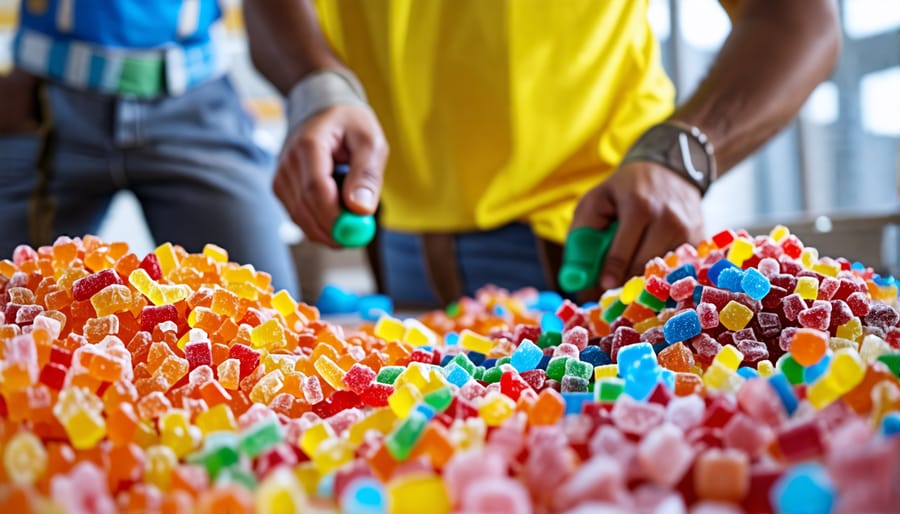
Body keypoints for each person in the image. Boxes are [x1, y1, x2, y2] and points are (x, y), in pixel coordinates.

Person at [245, 0, 841, 309]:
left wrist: (677, 155)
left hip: (599, 240)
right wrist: (317, 85)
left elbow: (799, 19)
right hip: (396, 240)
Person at [0, 0, 299, 295]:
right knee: (11, 302)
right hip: (41, 101)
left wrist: (315, 98)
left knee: (265, 316)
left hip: (198, 106)